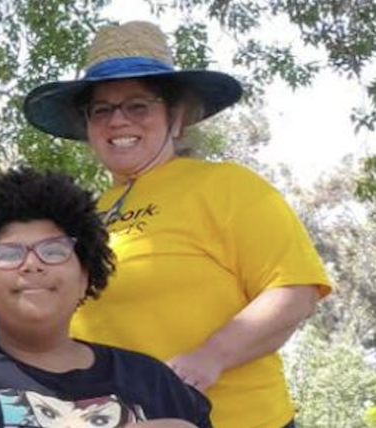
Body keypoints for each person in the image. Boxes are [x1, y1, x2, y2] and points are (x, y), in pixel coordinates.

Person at [22, 21, 331, 428]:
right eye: (102, 109)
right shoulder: (85, 215)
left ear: (176, 116)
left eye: (138, 105)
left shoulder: (226, 185)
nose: (118, 121)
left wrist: (211, 356)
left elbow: (295, 290)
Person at [0, 168, 211, 428]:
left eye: (54, 250)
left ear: (85, 276)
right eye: (9, 253)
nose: (32, 264)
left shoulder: (155, 381)